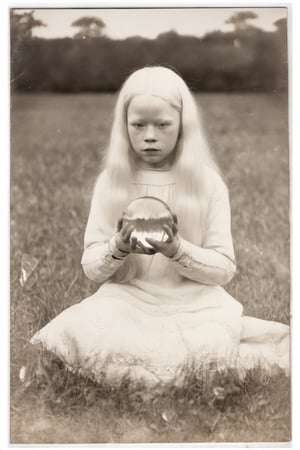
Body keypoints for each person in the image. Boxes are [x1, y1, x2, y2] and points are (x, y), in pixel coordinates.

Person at [31, 66, 289, 385]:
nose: (149, 135)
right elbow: (91, 268)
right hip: (127, 300)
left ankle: (158, 372)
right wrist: (118, 247)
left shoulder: (207, 184)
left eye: (163, 125)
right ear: (124, 127)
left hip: (194, 304)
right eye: (138, 125)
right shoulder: (111, 183)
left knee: (204, 347)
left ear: (183, 126)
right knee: (72, 329)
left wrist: (178, 249)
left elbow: (224, 269)